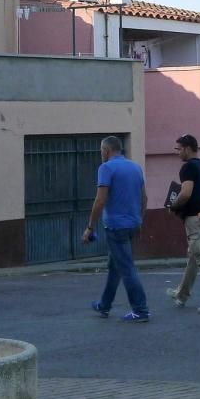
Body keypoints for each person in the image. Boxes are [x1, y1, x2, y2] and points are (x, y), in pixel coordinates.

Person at [85, 135, 150, 322]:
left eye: (101, 151)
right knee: (115, 266)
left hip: (115, 227)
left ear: (106, 151)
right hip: (132, 224)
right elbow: (144, 198)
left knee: (127, 268)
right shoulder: (135, 167)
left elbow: (100, 200)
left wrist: (90, 227)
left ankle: (140, 310)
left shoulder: (106, 168)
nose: (101, 155)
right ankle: (104, 305)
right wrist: (139, 221)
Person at [165, 134, 200, 312]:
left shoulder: (187, 168)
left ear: (186, 148)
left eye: (179, 149)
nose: (177, 153)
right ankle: (181, 294)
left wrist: (173, 204)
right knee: (194, 256)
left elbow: (185, 193)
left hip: (193, 217)